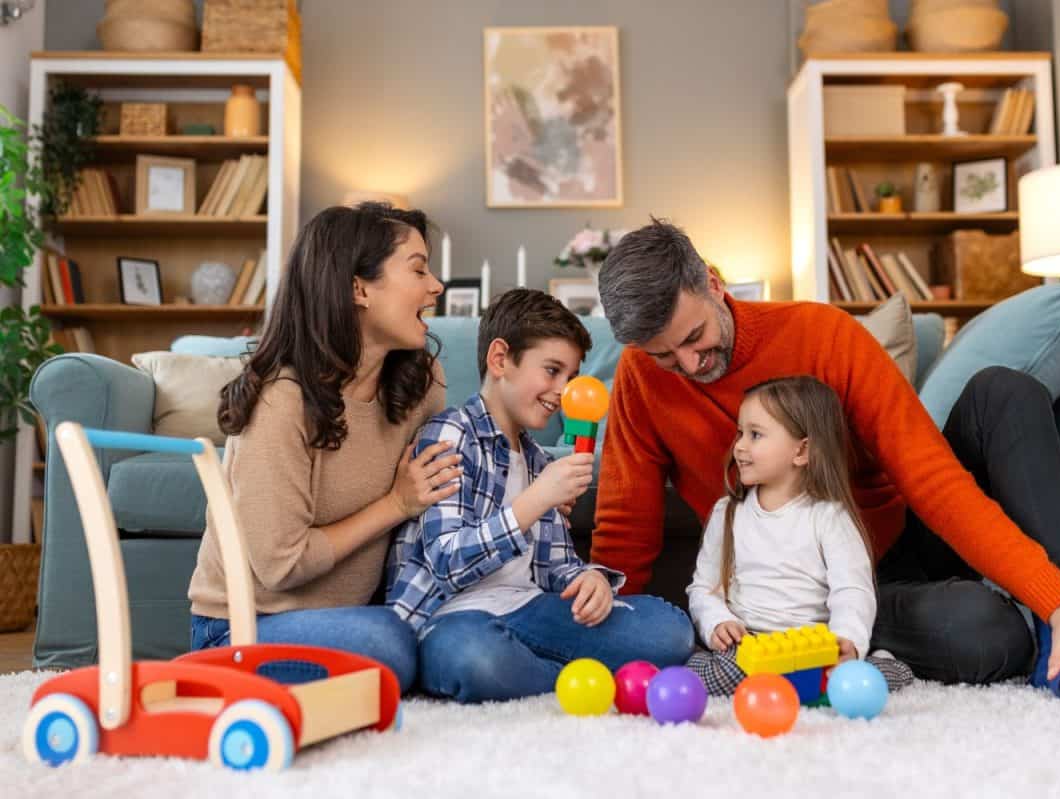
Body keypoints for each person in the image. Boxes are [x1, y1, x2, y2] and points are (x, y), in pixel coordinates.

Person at [593, 218, 1060, 699]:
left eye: (695, 337)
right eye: (664, 355)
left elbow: (932, 478)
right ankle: (1024, 626)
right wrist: (612, 635)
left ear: (713, 282)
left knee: (1005, 392)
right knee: (987, 636)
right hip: (809, 602)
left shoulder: (823, 334)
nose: (688, 364)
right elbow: (627, 525)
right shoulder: (641, 383)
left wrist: (1058, 600)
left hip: (897, 543)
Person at [188, 203, 461, 692]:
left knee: (449, 637)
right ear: (358, 288)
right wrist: (396, 504)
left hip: (355, 619)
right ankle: (206, 676)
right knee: (392, 645)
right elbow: (280, 565)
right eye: (418, 269)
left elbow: (450, 483)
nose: (436, 285)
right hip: (242, 628)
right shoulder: (282, 401)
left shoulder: (421, 381)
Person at [386, 288, 695, 703]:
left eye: (570, 378)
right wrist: (535, 500)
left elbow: (555, 568)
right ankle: (575, 677)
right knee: (474, 659)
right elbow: (446, 562)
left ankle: (540, 672)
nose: (562, 391)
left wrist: (589, 580)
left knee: (670, 631)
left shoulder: (537, 459)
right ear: (500, 360)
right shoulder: (451, 434)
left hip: (528, 610)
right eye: (551, 371)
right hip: (454, 618)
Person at [686, 376, 913, 695]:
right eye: (740, 433)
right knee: (706, 674)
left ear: (802, 451)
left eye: (755, 435)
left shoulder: (829, 516)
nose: (739, 446)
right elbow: (704, 588)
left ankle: (880, 662)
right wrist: (716, 623)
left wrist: (848, 640)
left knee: (848, 685)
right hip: (748, 647)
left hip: (810, 650)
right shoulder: (728, 512)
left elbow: (852, 590)